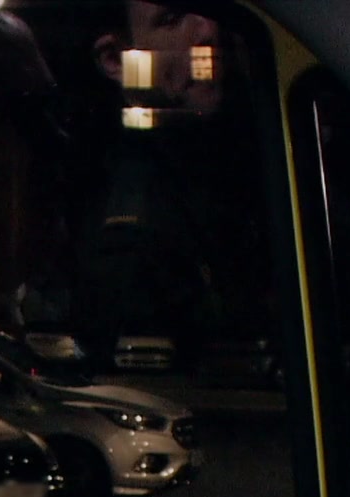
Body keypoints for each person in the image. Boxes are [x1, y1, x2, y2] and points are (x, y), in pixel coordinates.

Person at [73, 0, 267, 373]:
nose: (208, 30)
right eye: (173, 18)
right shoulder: (132, 221)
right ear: (115, 60)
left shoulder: (227, 167)